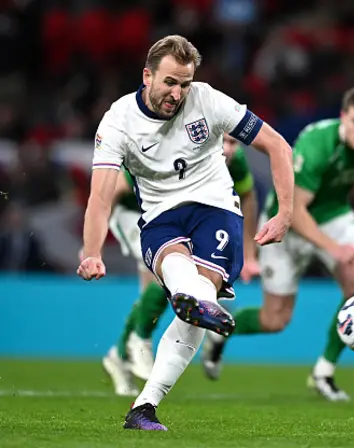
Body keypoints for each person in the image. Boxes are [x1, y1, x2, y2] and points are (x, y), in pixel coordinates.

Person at [77, 35, 293, 431]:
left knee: (196, 296)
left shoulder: (209, 100)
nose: (177, 93)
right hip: (159, 212)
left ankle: (144, 407)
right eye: (170, 82)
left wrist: (285, 213)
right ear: (147, 75)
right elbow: (101, 196)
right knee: (181, 274)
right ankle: (190, 299)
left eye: (185, 84)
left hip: (214, 205)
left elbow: (278, 146)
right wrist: (92, 251)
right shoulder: (118, 121)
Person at [201, 86, 354, 401]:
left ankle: (324, 372)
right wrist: (333, 249)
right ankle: (219, 333)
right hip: (287, 221)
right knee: (274, 320)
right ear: (343, 118)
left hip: (334, 215)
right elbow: (294, 211)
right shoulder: (318, 144)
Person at [102, 134, 260, 397]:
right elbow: (114, 190)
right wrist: (93, 242)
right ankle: (137, 341)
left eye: (235, 143)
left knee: (162, 290)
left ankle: (119, 355)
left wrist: (250, 254)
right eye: (225, 141)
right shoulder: (177, 148)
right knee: (166, 277)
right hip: (133, 213)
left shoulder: (236, 161)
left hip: (176, 219)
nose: (229, 149)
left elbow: (248, 197)